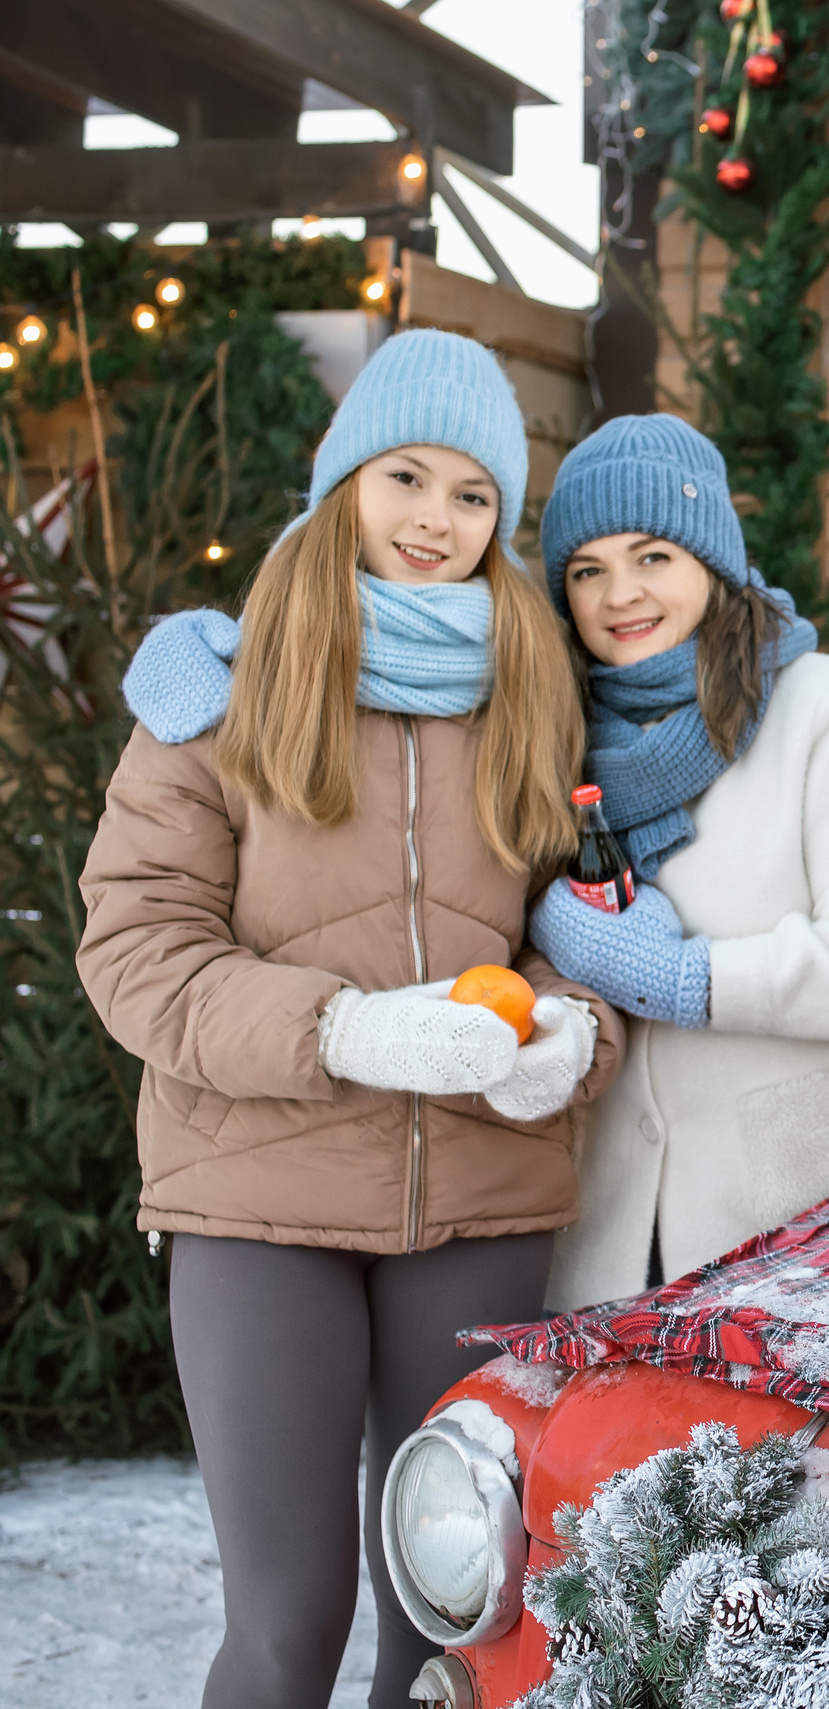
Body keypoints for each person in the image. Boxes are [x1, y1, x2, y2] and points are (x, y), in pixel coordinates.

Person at [78, 329, 623, 1709]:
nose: (436, 520)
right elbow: (138, 950)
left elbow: (585, 945)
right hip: (260, 1207)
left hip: (482, 1204)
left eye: (473, 495)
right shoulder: (218, 695)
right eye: (407, 478)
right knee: (290, 1616)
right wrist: (343, 1031)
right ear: (343, 485)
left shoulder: (539, 698)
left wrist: (567, 1040)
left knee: (447, 1619)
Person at [525, 414, 829, 1310]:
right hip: (614, 1239)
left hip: (811, 1234)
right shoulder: (554, 738)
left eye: (653, 557)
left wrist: (688, 979)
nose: (620, 595)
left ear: (711, 563)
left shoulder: (827, 710)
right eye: (588, 570)